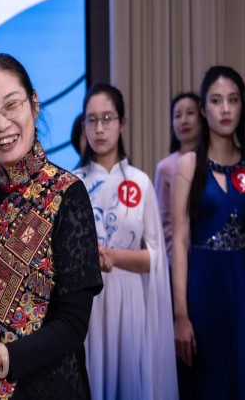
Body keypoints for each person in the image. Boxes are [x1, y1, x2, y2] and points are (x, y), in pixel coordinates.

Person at [0, 53, 103, 399]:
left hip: (51, 388)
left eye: (11, 105)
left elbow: (73, 325)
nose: (1, 124)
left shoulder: (68, 194)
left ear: (34, 105)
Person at [75, 83, 177, 400]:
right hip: (89, 303)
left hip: (131, 299)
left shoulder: (140, 182)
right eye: (92, 120)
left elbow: (156, 257)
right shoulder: (73, 183)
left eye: (107, 118)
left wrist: (113, 257)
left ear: (122, 123)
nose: (99, 128)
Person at [172, 66, 245, 399]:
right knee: (207, 385)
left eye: (233, 100)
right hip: (203, 288)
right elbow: (179, 241)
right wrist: (180, 315)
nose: (225, 109)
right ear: (204, 110)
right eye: (217, 101)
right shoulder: (188, 165)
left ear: (242, 106)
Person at [154, 93, 200, 266]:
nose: (184, 120)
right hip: (178, 260)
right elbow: (163, 222)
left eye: (190, 113)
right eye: (178, 115)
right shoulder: (166, 167)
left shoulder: (213, 162)